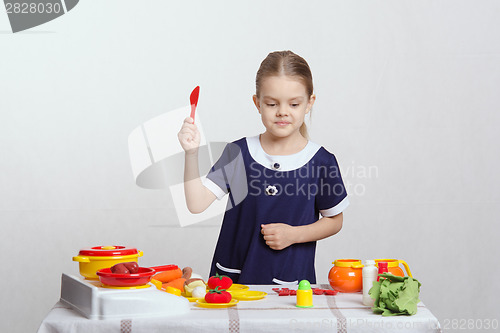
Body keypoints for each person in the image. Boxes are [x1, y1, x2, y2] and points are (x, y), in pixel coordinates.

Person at [177, 50, 349, 285]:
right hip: (233, 284)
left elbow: (334, 220)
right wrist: (191, 154)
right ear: (257, 103)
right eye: (271, 103)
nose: (282, 112)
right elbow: (196, 204)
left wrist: (293, 235)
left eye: (294, 103)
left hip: (290, 288)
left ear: (309, 103)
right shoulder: (238, 153)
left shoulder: (321, 162)